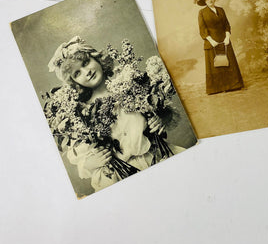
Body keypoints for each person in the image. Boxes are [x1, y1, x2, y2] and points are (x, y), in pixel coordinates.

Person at [47, 36, 184, 191]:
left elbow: (159, 112)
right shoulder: (80, 113)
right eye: (77, 73)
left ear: (97, 58)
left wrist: (160, 118)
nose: (86, 72)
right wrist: (92, 162)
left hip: (156, 156)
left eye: (86, 63)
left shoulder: (129, 82)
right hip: (119, 175)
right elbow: (80, 158)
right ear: (74, 82)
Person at [196, 0, 244, 95]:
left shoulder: (221, 10)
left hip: (224, 41)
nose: (210, 0)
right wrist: (211, 40)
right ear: (205, 1)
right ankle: (217, 88)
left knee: (228, 63)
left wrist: (227, 38)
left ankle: (233, 86)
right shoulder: (202, 13)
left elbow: (227, 25)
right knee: (216, 65)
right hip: (211, 42)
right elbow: (202, 29)